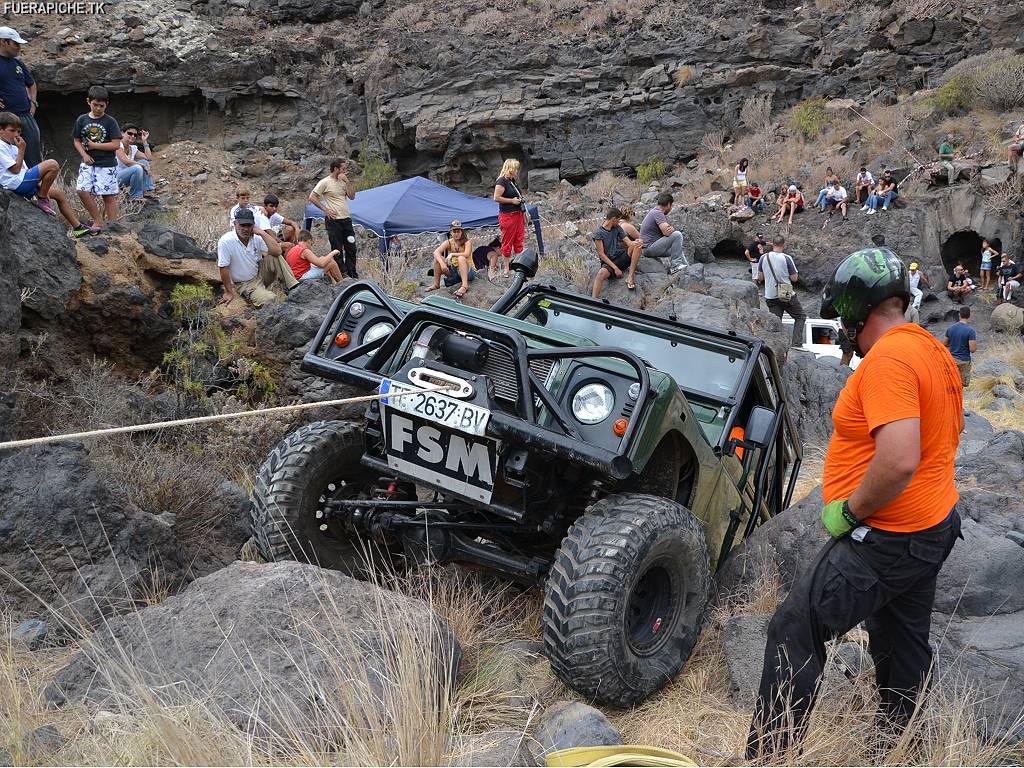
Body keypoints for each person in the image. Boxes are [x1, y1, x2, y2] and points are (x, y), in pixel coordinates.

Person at [747, 248, 962, 761]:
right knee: (900, 644)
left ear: (855, 311)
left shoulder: (889, 358)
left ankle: (767, 758)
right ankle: (900, 747)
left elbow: (899, 460)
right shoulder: (930, 349)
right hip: (932, 527)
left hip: (887, 536)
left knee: (795, 629)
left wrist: (849, 512)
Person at [0, 112, 97, 237]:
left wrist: (38, 183)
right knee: (52, 164)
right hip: (14, 184)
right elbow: (15, 170)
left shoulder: (13, 147)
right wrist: (22, 150)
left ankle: (77, 228)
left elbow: (24, 170)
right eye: (12, 130)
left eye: (18, 132)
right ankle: (41, 198)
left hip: (21, 181)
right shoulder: (1, 146)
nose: (16, 135)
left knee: (59, 194)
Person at [217, 208, 297, 308]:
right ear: (235, 223)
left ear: (253, 225)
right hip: (245, 283)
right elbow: (223, 267)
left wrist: (262, 233)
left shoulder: (256, 237)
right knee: (271, 299)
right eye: (242, 225)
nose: (246, 229)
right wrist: (229, 291)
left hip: (259, 274)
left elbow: (277, 251)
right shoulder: (226, 241)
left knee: (275, 257)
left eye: (249, 225)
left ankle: (294, 287)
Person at [72, 86, 121, 227]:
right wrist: (84, 155)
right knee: (81, 190)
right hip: (87, 162)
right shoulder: (82, 120)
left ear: (107, 105)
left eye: (102, 106)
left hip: (106, 164)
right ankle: (98, 220)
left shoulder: (110, 121)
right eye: (95, 105)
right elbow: (76, 141)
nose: (98, 108)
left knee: (108, 195)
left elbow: (116, 144)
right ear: (88, 101)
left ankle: (113, 225)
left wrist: (95, 146)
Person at [0, 27, 41, 169]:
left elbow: (31, 84)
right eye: (15, 43)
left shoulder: (17, 63)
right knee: (7, 157)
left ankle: (37, 189)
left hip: (25, 116)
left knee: (33, 155)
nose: (19, 47)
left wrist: (33, 102)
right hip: (4, 119)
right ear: (3, 42)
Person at [309, 159, 358, 278]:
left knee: (351, 247)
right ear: (336, 169)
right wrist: (325, 209)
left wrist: (347, 182)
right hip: (334, 221)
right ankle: (341, 274)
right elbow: (312, 197)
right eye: (343, 169)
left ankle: (352, 273)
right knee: (337, 248)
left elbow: (352, 196)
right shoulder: (325, 182)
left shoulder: (343, 182)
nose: (345, 171)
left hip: (346, 219)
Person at [757, 234, 806, 347]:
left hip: (770, 295)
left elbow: (760, 278)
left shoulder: (763, 258)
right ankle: (796, 344)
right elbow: (794, 278)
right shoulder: (786, 258)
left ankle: (775, 346)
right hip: (786, 293)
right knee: (800, 316)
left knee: (775, 322)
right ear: (783, 244)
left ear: (772, 244)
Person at [591, 207, 641, 297]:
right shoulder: (599, 234)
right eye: (618, 220)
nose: (619, 222)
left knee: (637, 246)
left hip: (621, 257)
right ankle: (593, 301)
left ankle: (630, 276)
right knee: (600, 274)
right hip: (609, 263)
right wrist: (615, 268)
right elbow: (601, 254)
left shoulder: (617, 228)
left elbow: (629, 243)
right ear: (613, 219)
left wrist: (637, 242)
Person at [493, 158, 526, 276]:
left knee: (519, 240)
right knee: (507, 242)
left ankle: (519, 266)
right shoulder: (502, 181)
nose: (517, 170)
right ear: (510, 168)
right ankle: (506, 269)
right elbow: (496, 197)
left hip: (518, 215)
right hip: (508, 216)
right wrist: (512, 201)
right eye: (515, 168)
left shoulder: (512, 181)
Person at [639, 192, 687, 271]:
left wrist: (670, 229)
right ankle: (676, 266)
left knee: (678, 249)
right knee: (677, 235)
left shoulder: (655, 212)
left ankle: (687, 269)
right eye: (671, 206)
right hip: (649, 248)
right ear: (668, 204)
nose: (671, 208)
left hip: (649, 247)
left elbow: (666, 231)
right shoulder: (658, 212)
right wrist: (671, 229)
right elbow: (667, 232)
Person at [428, 220, 475, 299]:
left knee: (461, 258)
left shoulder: (467, 242)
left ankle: (464, 286)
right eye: (454, 231)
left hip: (468, 271)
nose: (456, 234)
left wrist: (452, 254)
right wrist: (442, 264)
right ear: (451, 232)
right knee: (438, 259)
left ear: (462, 232)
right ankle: (436, 284)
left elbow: (466, 254)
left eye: (458, 231)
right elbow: (436, 252)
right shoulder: (449, 242)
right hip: (455, 271)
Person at [114, 123, 156, 201]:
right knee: (138, 167)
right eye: (129, 133)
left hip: (126, 178)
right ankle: (135, 196)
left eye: (135, 135)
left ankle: (147, 191)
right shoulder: (118, 145)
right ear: (122, 133)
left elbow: (149, 158)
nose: (132, 136)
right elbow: (125, 161)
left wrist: (144, 141)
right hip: (115, 179)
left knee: (144, 161)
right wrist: (142, 165)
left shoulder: (133, 148)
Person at [944, 306, 977, 387]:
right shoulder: (971, 330)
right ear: (969, 316)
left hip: (952, 360)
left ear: (959, 315)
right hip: (964, 361)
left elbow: (944, 343)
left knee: (951, 384)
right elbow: (972, 349)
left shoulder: (950, 328)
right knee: (961, 385)